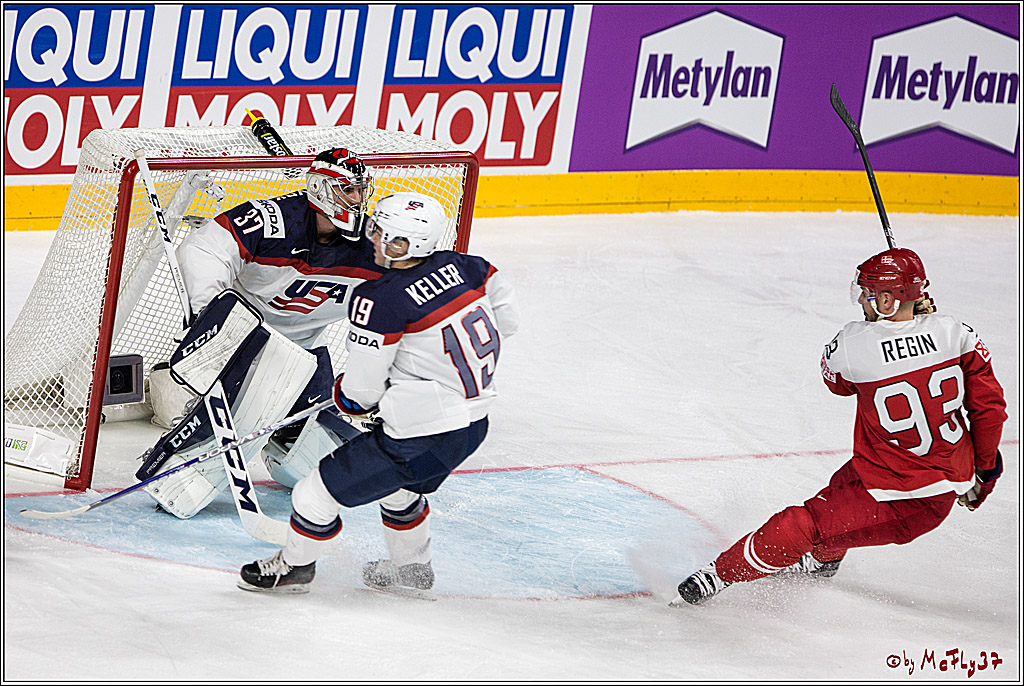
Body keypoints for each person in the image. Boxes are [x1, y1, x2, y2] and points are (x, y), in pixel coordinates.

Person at [673, 247, 1007, 606]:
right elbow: (989, 411)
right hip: (909, 470)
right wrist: (984, 471)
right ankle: (824, 560)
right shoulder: (957, 334)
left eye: (867, 293)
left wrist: (893, 337)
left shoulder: (852, 344)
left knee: (804, 524)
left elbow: (837, 383)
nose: (861, 300)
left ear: (888, 300)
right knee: (837, 492)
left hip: (904, 498)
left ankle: (719, 575)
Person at [236, 191, 519, 595]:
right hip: (472, 426)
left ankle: (294, 569)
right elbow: (507, 322)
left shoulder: (379, 299)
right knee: (401, 491)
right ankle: (412, 573)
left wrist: (346, 397)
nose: (372, 238)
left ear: (406, 245)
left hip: (418, 434)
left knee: (313, 494)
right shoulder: (472, 267)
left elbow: (361, 393)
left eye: (382, 233)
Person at [137, 148, 389, 519]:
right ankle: (178, 460)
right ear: (319, 189)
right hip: (246, 341)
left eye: (359, 190)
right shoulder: (272, 221)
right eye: (347, 189)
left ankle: (281, 444)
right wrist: (212, 315)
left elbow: (403, 307)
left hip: (305, 353)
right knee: (183, 485)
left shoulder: (374, 246)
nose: (356, 199)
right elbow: (203, 249)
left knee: (324, 468)